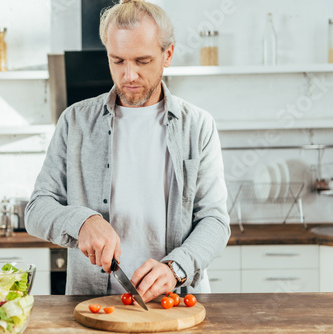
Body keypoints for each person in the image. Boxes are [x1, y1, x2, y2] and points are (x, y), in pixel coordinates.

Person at [25, 0, 230, 302]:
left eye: (142, 61)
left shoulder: (197, 126)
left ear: (167, 54)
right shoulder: (74, 121)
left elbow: (214, 220)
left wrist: (176, 267)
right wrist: (82, 221)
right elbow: (37, 210)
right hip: (94, 308)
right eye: (118, 61)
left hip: (175, 306)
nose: (129, 75)